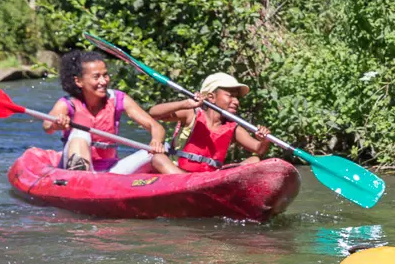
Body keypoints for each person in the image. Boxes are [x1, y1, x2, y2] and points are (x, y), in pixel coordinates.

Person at [43, 49, 177, 174]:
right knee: (80, 132)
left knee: (161, 149)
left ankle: (187, 186)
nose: (103, 81)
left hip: (111, 170)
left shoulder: (118, 99)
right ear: (79, 81)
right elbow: (47, 126)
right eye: (96, 77)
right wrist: (57, 123)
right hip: (75, 171)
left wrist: (156, 141)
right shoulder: (68, 104)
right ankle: (82, 179)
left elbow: (156, 126)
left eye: (105, 75)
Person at [145, 73, 273, 173]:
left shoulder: (232, 127)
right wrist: (184, 103)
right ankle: (191, 186)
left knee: (254, 160)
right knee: (159, 158)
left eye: (237, 97)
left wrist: (264, 140)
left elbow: (258, 149)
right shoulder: (191, 114)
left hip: (209, 176)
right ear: (211, 97)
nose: (236, 101)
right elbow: (154, 113)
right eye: (230, 95)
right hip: (179, 173)